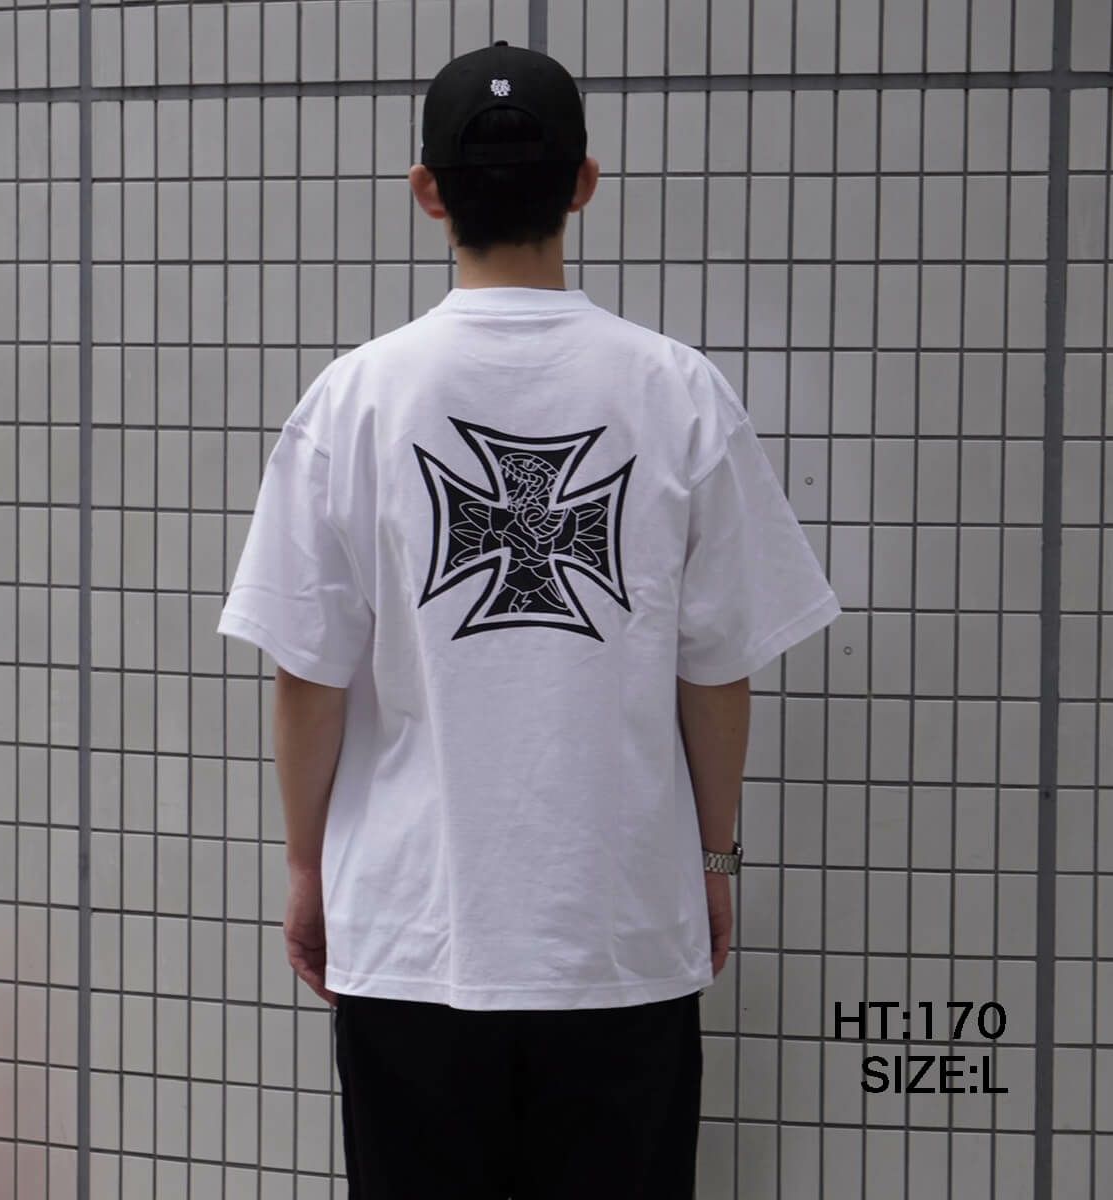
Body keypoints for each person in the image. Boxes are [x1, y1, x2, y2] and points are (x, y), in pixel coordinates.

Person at [216, 40, 842, 1200]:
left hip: (410, 934)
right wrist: (711, 859)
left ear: (428, 190)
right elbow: (717, 671)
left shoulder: (351, 403)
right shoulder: (679, 393)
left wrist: (307, 865)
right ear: (584, 183)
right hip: (620, 936)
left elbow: (308, 675)